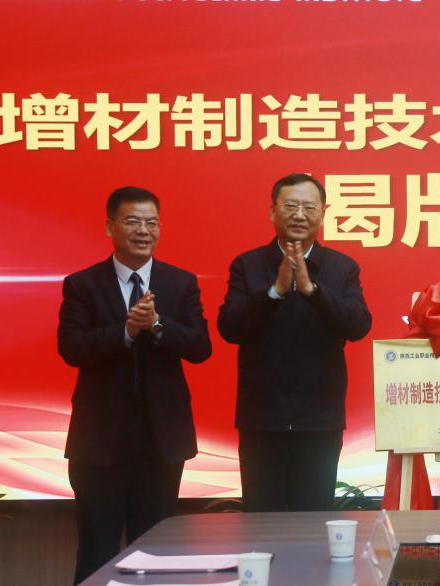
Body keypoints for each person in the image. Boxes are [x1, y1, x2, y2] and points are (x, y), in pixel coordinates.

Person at [58, 186, 211, 584]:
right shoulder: (82, 284)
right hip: (99, 445)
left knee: (156, 552)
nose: (144, 230)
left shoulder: (180, 283)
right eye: (132, 221)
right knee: (97, 551)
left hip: (161, 444)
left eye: (151, 222)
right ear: (110, 226)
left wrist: (156, 324)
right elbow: (71, 348)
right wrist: (125, 331)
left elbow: (200, 347)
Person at [218, 172, 372, 512]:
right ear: (273, 211)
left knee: (312, 519)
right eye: (290, 206)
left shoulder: (342, 268)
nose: (299, 215)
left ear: (323, 212)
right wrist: (274, 292)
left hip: (319, 421)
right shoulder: (247, 265)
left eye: (308, 207)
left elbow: (358, 325)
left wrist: (312, 292)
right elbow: (229, 328)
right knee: (262, 519)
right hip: (261, 420)